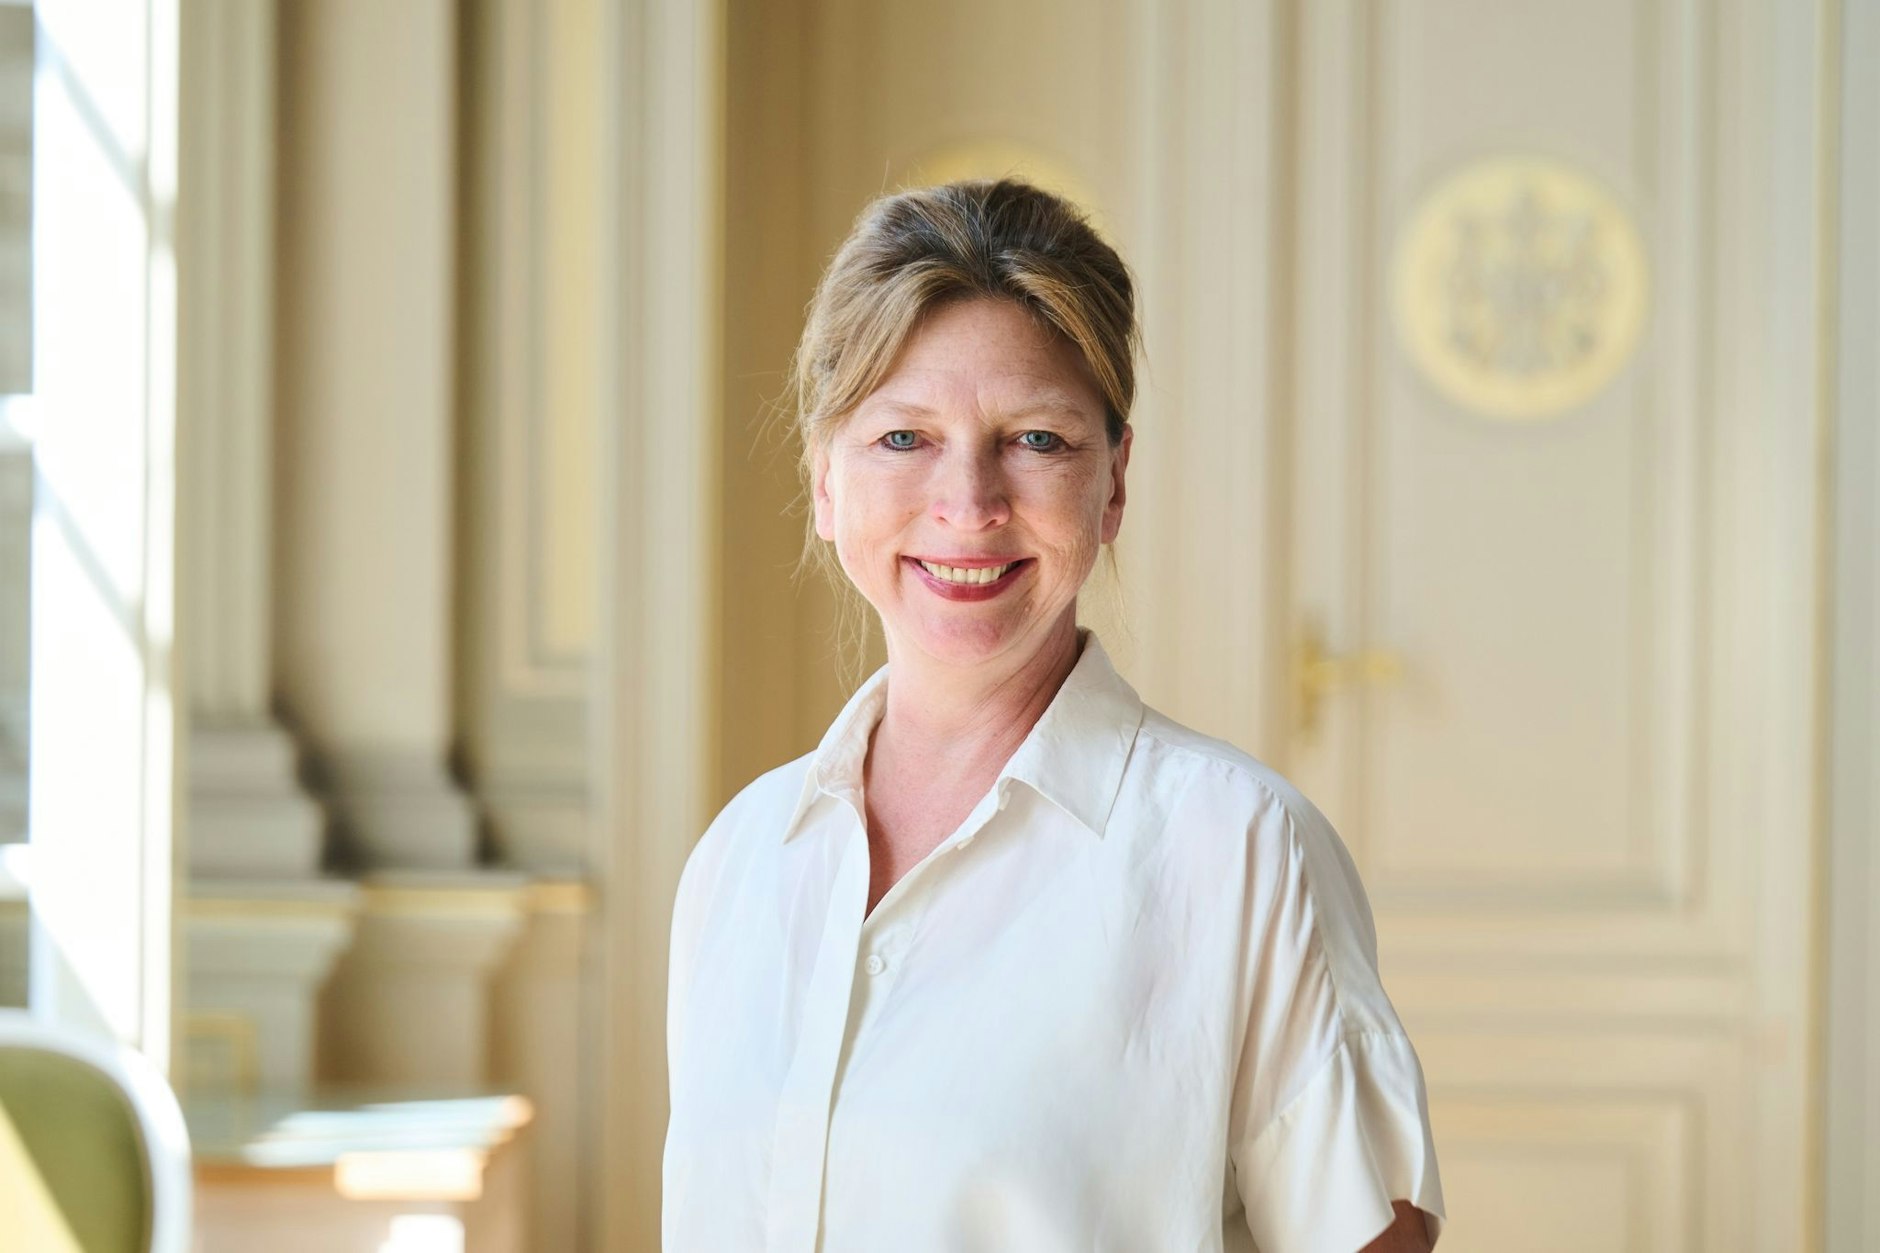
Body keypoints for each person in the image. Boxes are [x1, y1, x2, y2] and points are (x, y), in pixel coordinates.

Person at [662, 178, 1446, 1252]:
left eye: (1034, 439)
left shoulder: (1243, 852)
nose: (968, 503)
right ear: (823, 482)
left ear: (1112, 482)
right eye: (902, 437)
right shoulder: (737, 863)